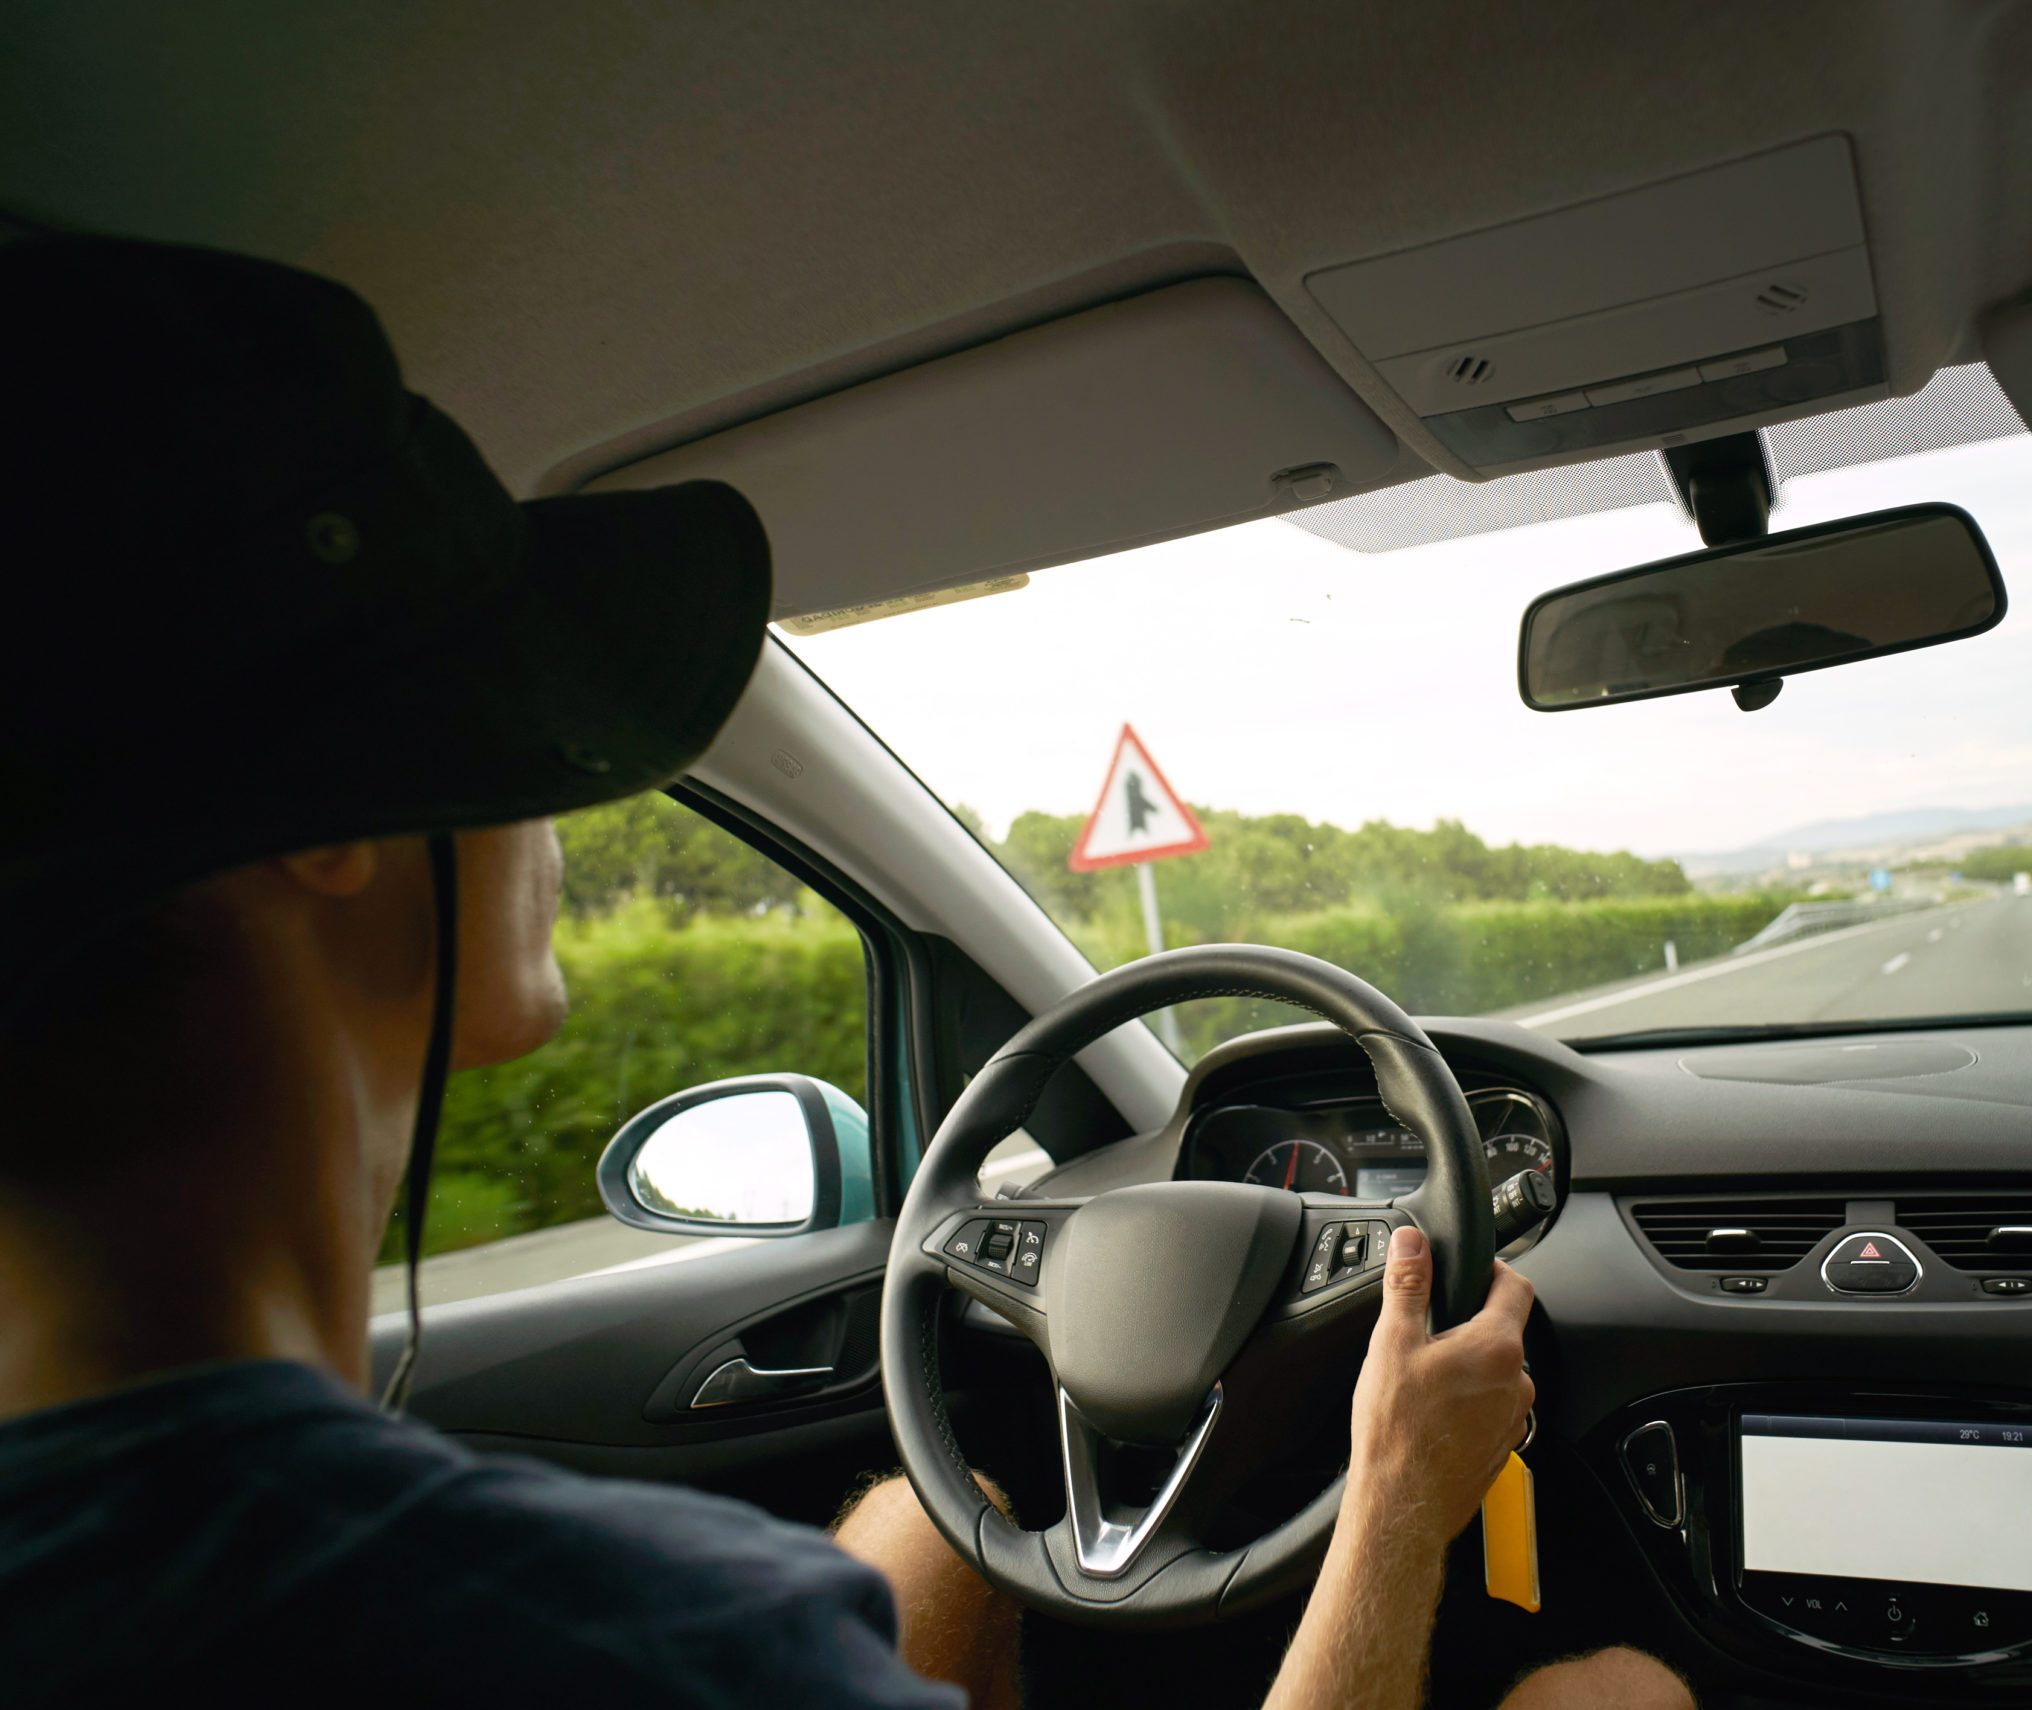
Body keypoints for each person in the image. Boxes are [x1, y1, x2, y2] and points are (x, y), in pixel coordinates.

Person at [0, 233, 1689, 1710]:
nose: (563, 812)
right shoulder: (655, 1648)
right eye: (502, 711)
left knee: (920, 1519)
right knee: (1607, 1688)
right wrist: (1396, 1493)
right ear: (333, 832)